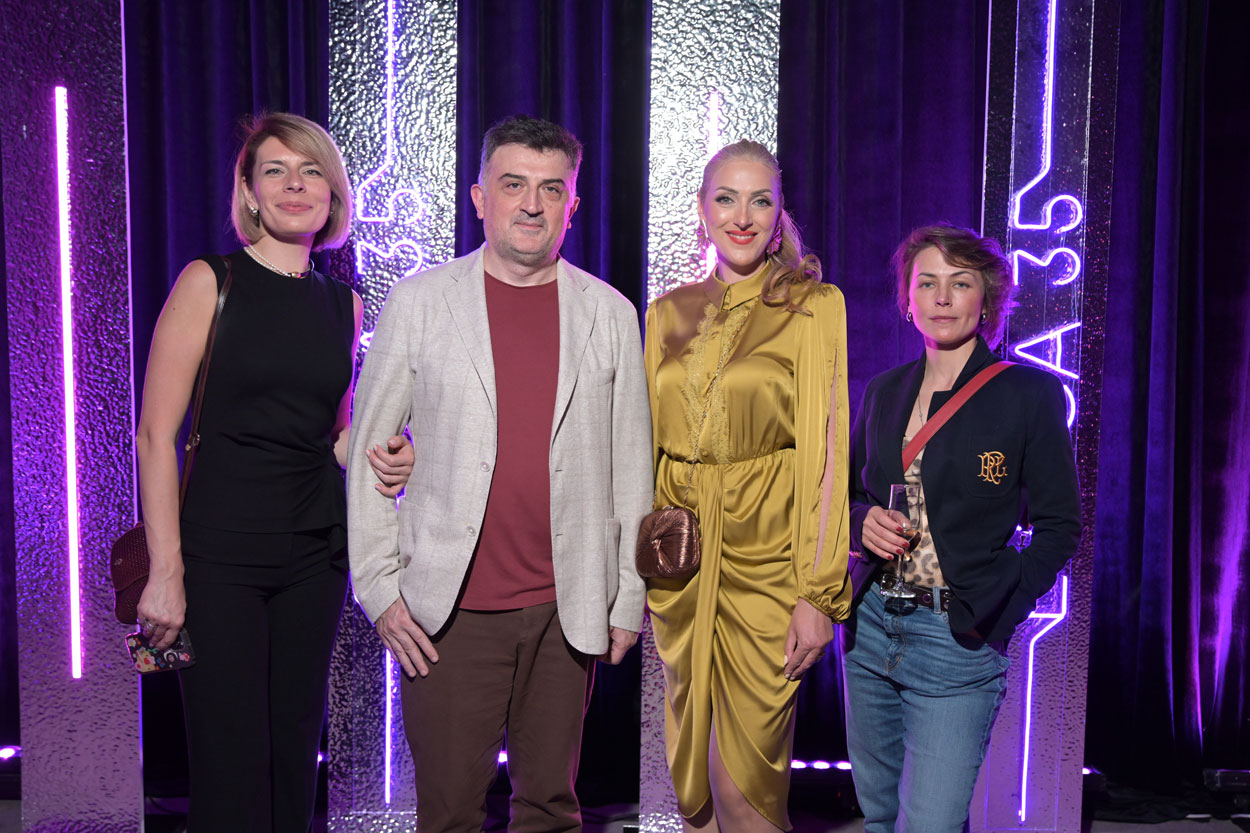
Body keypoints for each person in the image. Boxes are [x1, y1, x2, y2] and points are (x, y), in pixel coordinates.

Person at [345, 114, 653, 833]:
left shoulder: (610, 313)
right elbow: (368, 454)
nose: (532, 204)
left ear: (572, 204)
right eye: (514, 184)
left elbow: (632, 469)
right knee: (450, 813)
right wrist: (379, 589)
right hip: (448, 614)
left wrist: (627, 599)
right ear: (481, 198)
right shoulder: (420, 302)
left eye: (552, 188)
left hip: (566, 608)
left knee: (551, 809)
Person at [134, 112, 413, 833]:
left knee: (294, 757)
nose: (295, 185)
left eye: (311, 171)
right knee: (230, 764)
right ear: (250, 193)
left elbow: (334, 433)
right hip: (217, 557)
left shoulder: (343, 304)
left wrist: (387, 452)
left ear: (332, 194)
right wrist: (166, 570)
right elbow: (155, 435)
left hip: (314, 555)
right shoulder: (210, 281)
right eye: (276, 171)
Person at [843, 223, 1081, 831]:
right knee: (877, 818)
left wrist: (1001, 604)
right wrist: (861, 521)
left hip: (955, 637)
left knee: (930, 825)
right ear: (908, 299)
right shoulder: (883, 391)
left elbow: (1060, 525)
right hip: (870, 626)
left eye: (961, 282)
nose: (943, 297)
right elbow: (846, 497)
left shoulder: (1029, 393)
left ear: (987, 298)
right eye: (927, 283)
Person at [644, 140, 852, 832]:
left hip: (767, 562)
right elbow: (643, 447)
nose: (742, 216)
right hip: (681, 563)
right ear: (702, 211)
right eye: (726, 199)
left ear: (779, 212)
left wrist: (817, 592)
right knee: (696, 794)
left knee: (745, 792)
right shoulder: (666, 311)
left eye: (760, 200)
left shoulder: (813, 305)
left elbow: (827, 451)